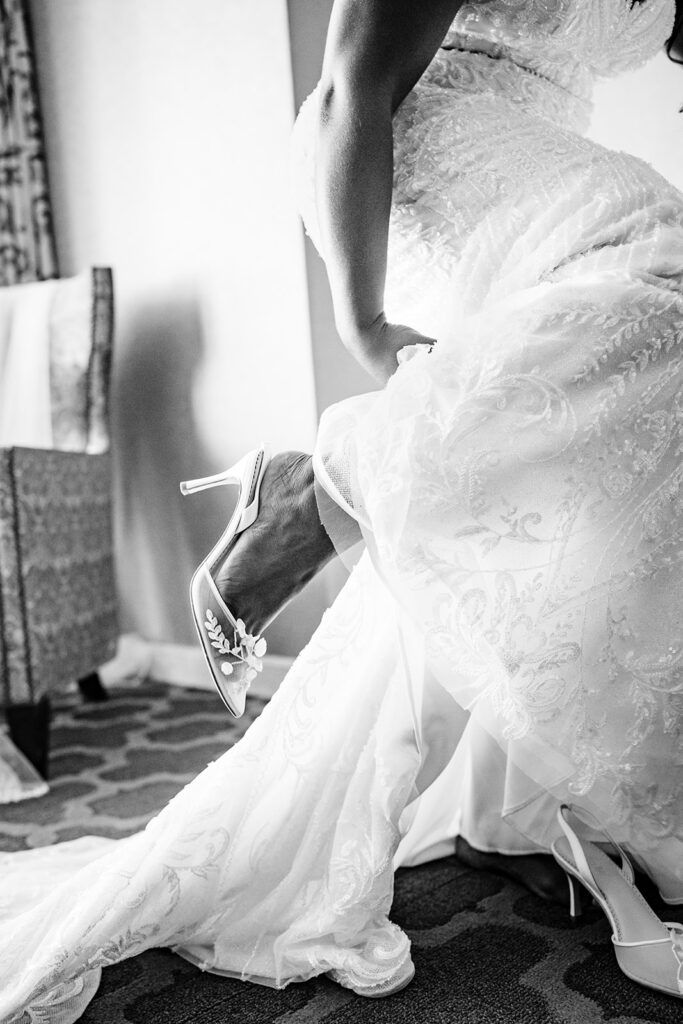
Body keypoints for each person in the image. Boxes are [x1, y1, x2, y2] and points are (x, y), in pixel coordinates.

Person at [1, 1, 683, 1018]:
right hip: (414, 139)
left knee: (608, 465)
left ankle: (531, 797)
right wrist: (361, 322)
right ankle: (321, 490)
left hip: (533, 154)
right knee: (663, 264)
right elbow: (345, 86)